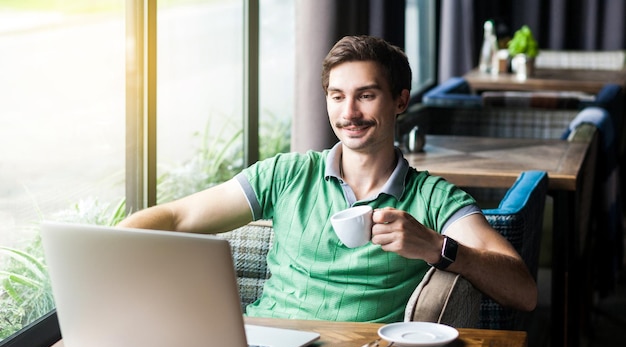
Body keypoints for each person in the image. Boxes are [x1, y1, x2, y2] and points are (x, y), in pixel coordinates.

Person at [119, 35, 537, 323]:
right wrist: (112, 248)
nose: (348, 113)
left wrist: (433, 246)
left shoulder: (432, 198)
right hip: (260, 345)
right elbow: (176, 218)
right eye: (337, 96)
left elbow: (523, 292)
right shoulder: (286, 174)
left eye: (366, 95)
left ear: (400, 100)